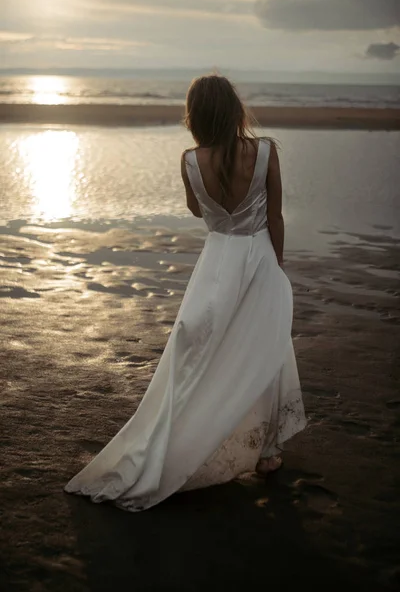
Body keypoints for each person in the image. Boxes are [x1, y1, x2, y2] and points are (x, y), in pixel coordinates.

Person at [64, 75, 307, 511]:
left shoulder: (191, 160)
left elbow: (199, 210)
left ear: (196, 117)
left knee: (198, 352)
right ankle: (268, 452)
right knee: (264, 350)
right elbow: (275, 216)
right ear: (234, 109)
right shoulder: (266, 150)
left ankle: (186, 433)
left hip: (216, 266)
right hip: (259, 259)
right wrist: (278, 266)